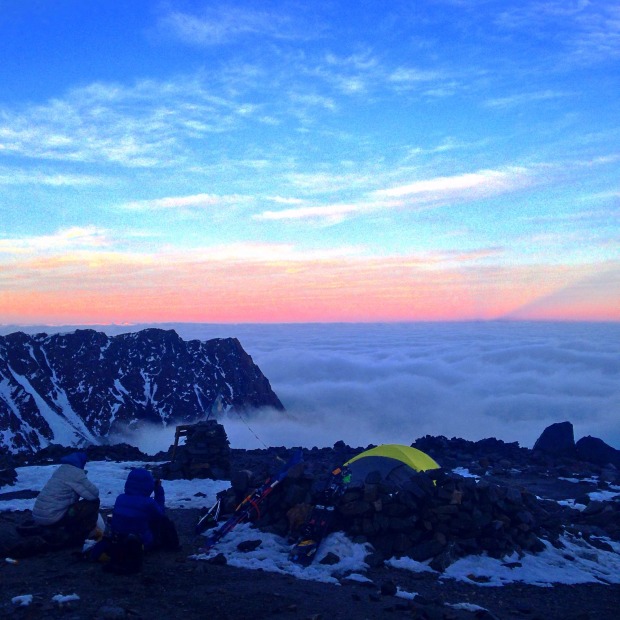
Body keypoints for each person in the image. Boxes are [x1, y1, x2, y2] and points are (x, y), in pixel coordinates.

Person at [32, 451, 100, 544]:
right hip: (52, 518)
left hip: (39, 515)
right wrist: (83, 476)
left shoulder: (61, 470)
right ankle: (84, 534)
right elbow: (93, 494)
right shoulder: (75, 474)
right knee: (93, 503)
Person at [110, 468, 179, 552]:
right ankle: (172, 546)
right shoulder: (148, 502)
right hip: (140, 544)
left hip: (118, 540)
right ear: (148, 484)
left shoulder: (120, 498)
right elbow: (161, 515)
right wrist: (158, 490)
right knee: (163, 521)